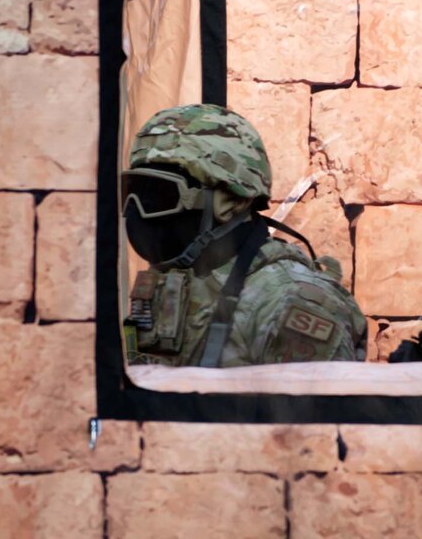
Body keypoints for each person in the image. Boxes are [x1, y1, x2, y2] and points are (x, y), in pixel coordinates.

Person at [120, 103, 366, 367]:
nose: (136, 208)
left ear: (229, 203)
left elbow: (313, 408)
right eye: (129, 191)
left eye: (159, 195)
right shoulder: (179, 279)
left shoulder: (286, 304)